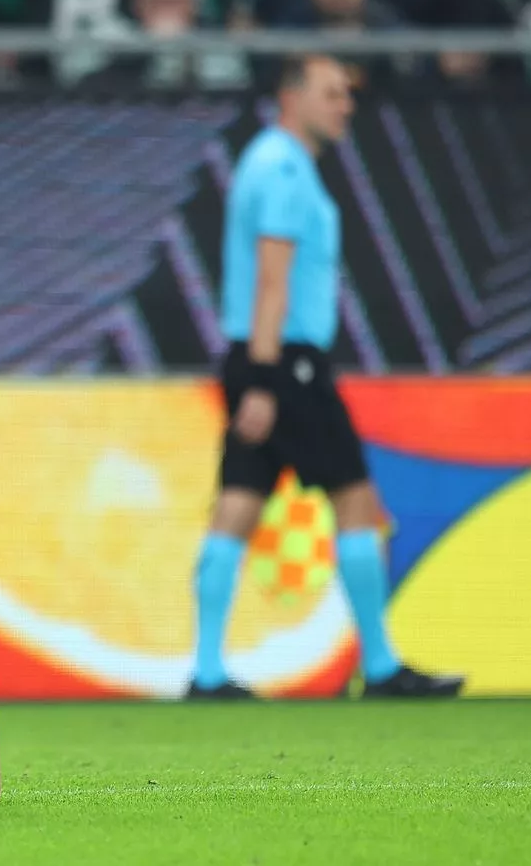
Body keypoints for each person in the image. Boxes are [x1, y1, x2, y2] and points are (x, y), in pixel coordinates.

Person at [187, 55, 465, 701]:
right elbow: (273, 283)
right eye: (334, 93)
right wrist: (262, 379)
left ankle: (205, 672)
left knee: (237, 505)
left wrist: (252, 373)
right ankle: (383, 665)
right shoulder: (284, 169)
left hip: (260, 358)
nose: (347, 105)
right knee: (357, 502)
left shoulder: (270, 162)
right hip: (286, 362)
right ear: (292, 97)